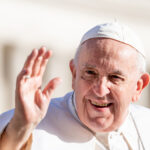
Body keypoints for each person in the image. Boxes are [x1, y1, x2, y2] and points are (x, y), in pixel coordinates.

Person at [0, 22, 150, 150]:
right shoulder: (28, 125)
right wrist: (20, 127)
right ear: (74, 74)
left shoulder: (146, 123)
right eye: (90, 73)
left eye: (115, 77)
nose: (100, 90)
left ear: (138, 86)